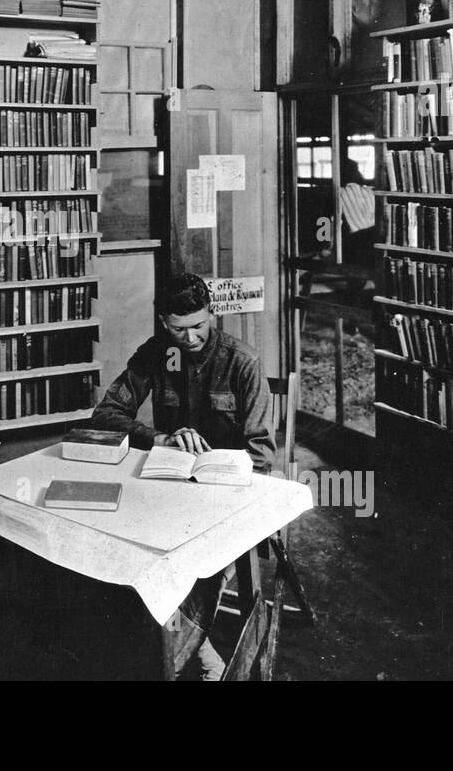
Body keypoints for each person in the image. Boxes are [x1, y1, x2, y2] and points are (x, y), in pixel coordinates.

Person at [91, 272, 273, 680]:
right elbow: (106, 416)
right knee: (126, 545)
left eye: (199, 326)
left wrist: (215, 469)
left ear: (212, 315)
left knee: (193, 559)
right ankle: (192, 649)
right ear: (163, 323)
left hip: (223, 498)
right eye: (178, 329)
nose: (190, 339)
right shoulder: (156, 353)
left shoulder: (242, 362)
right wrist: (160, 438)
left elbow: (261, 456)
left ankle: (187, 653)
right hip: (166, 486)